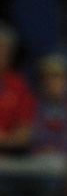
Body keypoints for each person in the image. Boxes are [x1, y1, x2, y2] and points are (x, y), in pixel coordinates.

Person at [0, 23, 35, 155]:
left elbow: (25, 134)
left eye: (4, 50)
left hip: (8, 158)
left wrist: (5, 140)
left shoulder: (18, 86)